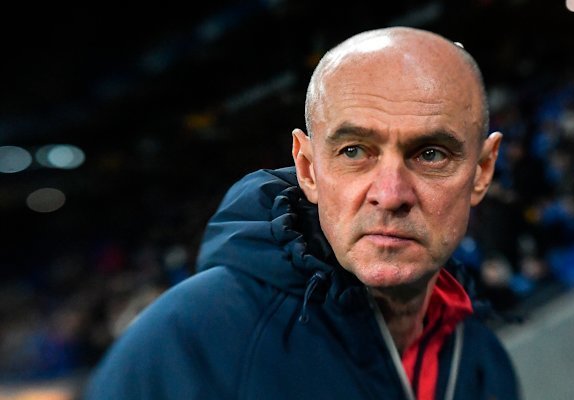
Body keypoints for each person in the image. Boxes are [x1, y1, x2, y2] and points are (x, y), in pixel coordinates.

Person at [84, 27, 520, 400]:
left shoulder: (480, 357)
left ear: (482, 171)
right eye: (354, 151)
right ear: (308, 168)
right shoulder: (183, 345)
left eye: (430, 154)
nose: (390, 195)